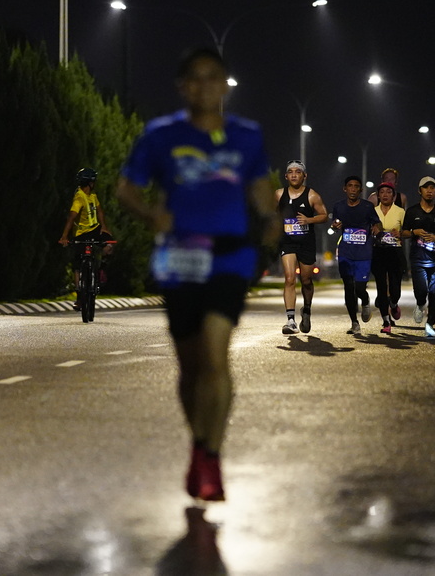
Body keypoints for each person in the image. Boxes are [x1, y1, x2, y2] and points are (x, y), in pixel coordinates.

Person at [116, 47, 279, 502]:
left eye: (213, 77)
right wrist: (150, 215)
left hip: (230, 255)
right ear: (182, 87)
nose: (204, 86)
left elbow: (259, 185)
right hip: (179, 257)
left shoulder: (246, 136)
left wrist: (270, 217)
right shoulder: (160, 135)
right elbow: (126, 189)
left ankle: (212, 455)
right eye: (195, 78)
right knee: (190, 367)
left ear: (225, 85)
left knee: (215, 353)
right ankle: (198, 444)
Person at [275, 160, 328, 334]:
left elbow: (324, 215)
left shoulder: (312, 195)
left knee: (306, 280)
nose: (294, 175)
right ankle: (290, 321)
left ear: (304, 176)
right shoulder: (279, 194)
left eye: (298, 172)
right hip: (287, 241)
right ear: (286, 176)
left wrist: (309, 220)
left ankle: (306, 309)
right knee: (290, 278)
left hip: (306, 242)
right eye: (290, 172)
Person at [402, 177, 435, 338]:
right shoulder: (412, 211)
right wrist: (414, 232)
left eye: (432, 188)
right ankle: (420, 304)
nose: (429, 191)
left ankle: (430, 324)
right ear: (420, 191)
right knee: (421, 290)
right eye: (426, 188)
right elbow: (403, 233)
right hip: (418, 258)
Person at [331, 175, 381, 335]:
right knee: (348, 287)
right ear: (345, 189)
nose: (353, 189)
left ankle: (365, 301)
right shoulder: (338, 206)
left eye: (356, 186)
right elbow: (334, 224)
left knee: (359, 287)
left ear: (361, 190)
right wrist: (335, 226)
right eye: (350, 186)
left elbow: (377, 222)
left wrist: (377, 228)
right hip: (345, 252)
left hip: (363, 253)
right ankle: (354, 322)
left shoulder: (367, 206)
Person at [58, 167, 113, 308]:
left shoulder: (93, 197)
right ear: (91, 183)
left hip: (94, 230)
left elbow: (99, 211)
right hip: (81, 233)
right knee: (78, 264)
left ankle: (100, 271)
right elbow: (72, 217)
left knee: (108, 244)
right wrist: (64, 235)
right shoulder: (79, 197)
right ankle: (79, 295)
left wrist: (103, 227)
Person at [371, 182, 406, 334]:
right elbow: (365, 229)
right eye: (382, 192)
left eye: (389, 192)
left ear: (394, 195)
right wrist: (371, 229)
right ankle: (386, 320)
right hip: (378, 252)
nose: (385, 195)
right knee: (381, 287)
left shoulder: (400, 212)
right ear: (378, 196)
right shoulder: (372, 211)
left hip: (395, 252)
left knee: (394, 288)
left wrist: (401, 233)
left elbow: (409, 231)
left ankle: (393, 304)